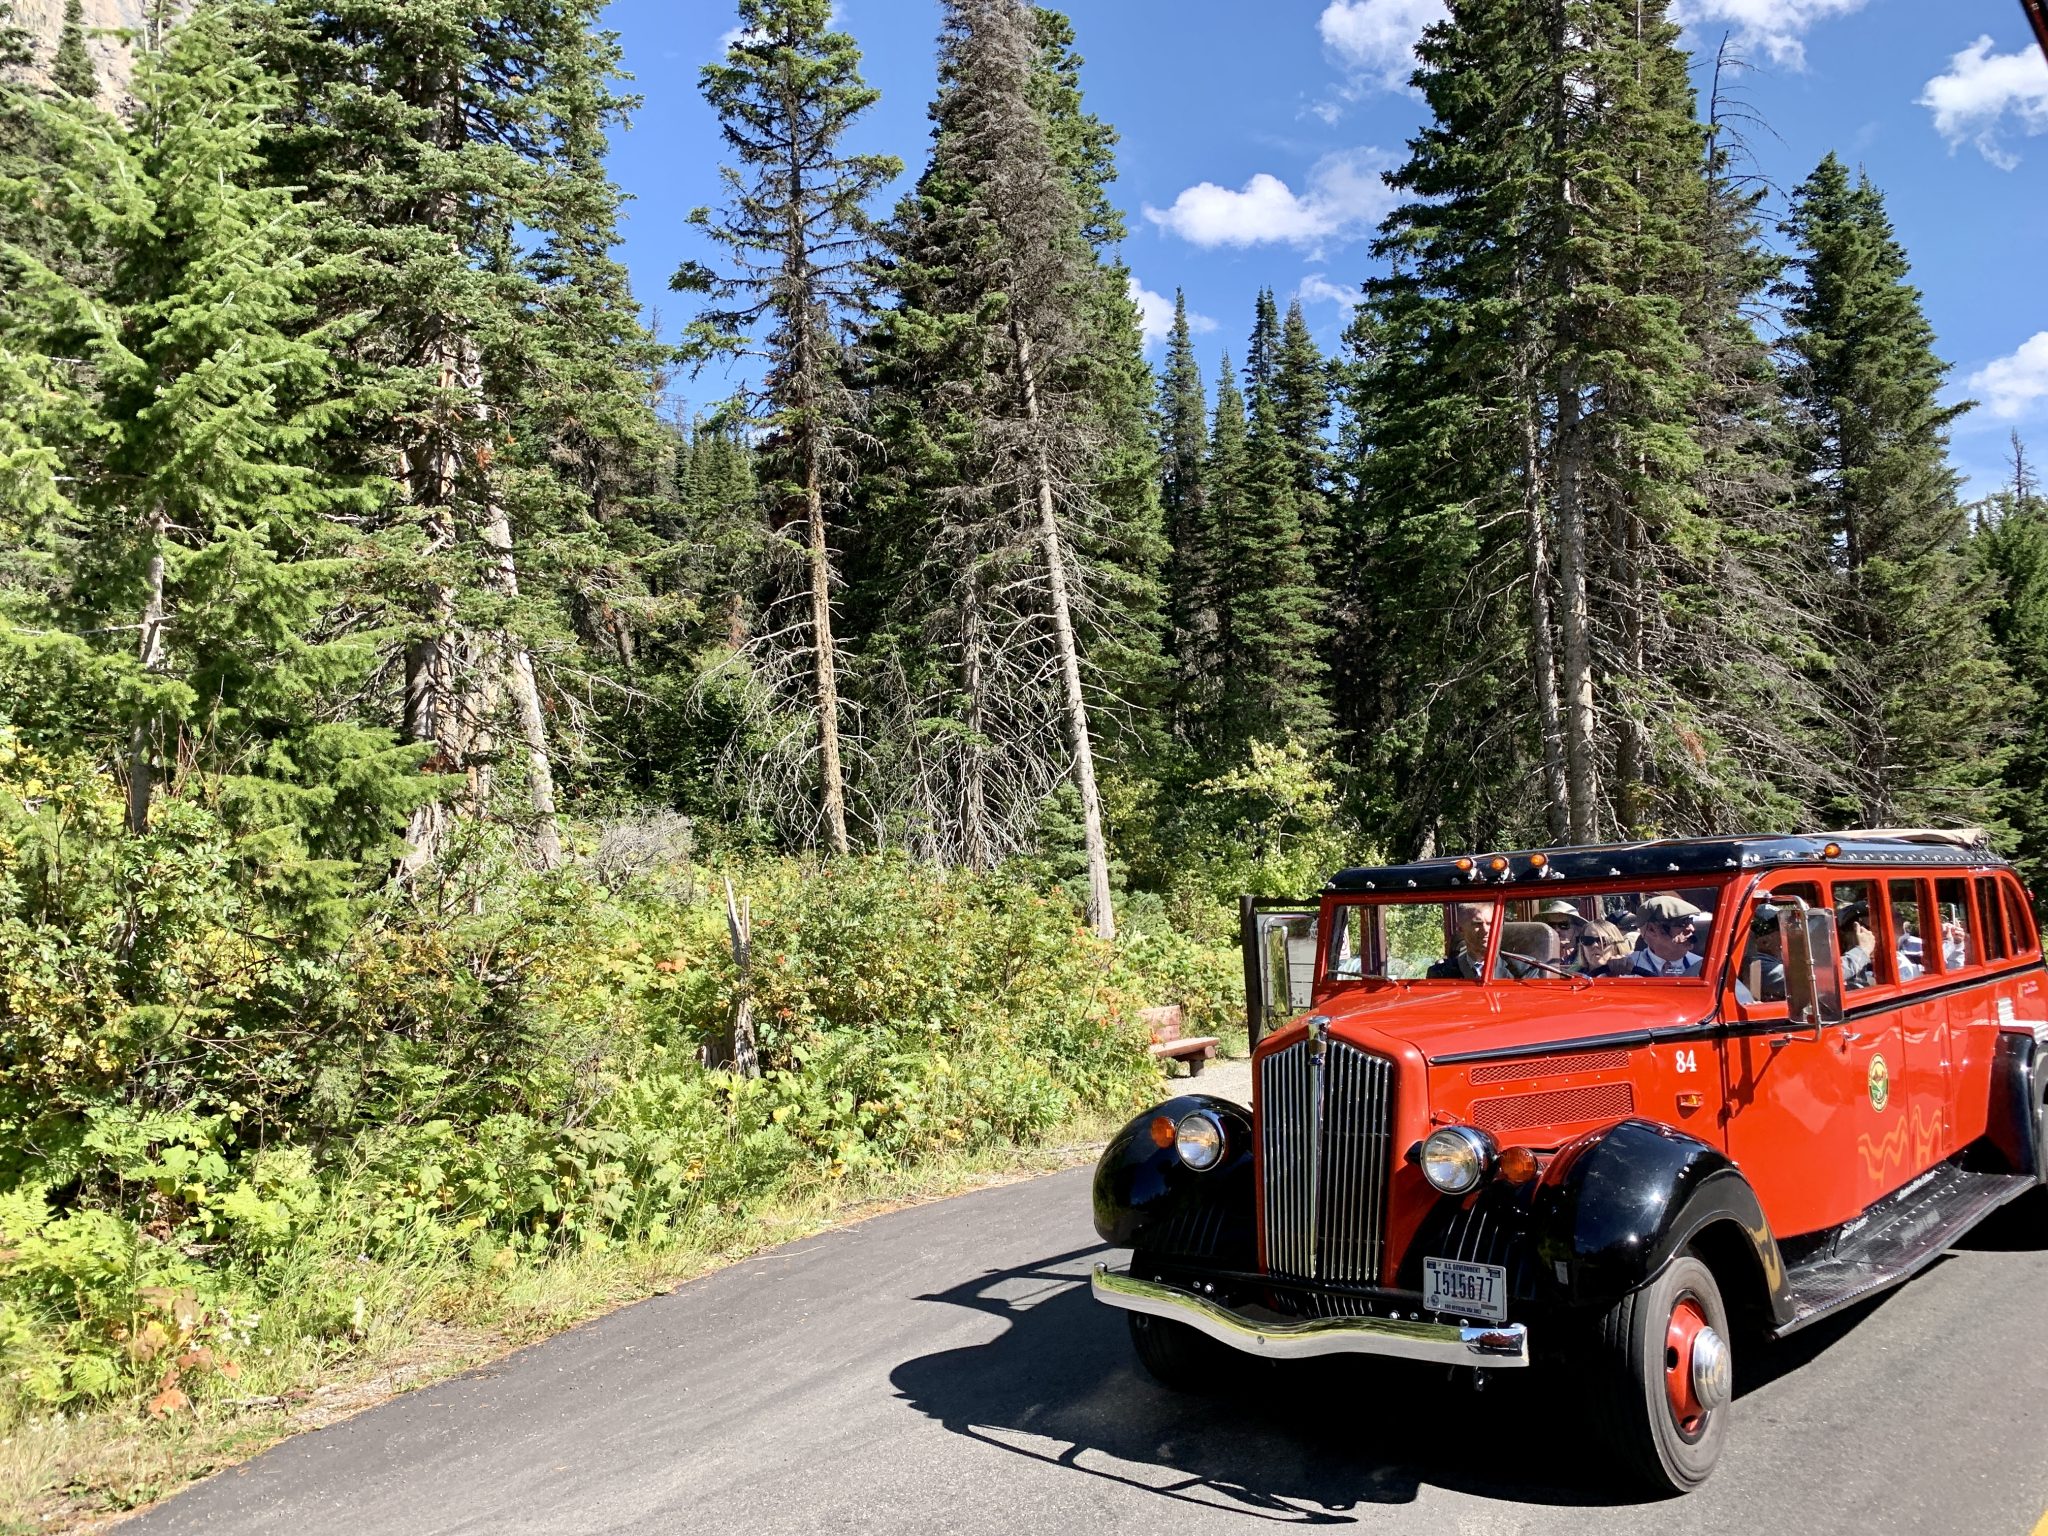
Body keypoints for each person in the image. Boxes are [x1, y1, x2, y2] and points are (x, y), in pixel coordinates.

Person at [1630, 893, 1706, 977]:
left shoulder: (1703, 967)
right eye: (1682, 923)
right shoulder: (1627, 968)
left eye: (1690, 921)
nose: (1691, 928)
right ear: (1652, 930)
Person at [1428, 902, 1501, 980]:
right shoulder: (1441, 973)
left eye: (1490, 924)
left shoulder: (1514, 970)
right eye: (1477, 924)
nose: (1486, 930)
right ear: (1460, 929)